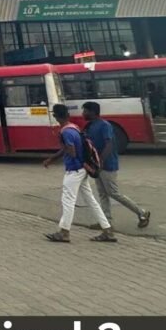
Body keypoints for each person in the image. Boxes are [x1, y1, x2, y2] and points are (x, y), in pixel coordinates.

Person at [43, 104, 115, 242]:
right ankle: (107, 230)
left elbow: (70, 150)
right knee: (91, 200)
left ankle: (64, 232)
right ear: (67, 115)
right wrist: (52, 159)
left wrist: (62, 157)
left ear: (55, 116)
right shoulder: (73, 127)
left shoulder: (65, 132)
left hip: (74, 170)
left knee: (68, 200)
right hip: (82, 169)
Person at [82, 102, 151, 229]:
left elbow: (109, 144)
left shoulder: (105, 125)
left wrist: (101, 161)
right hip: (98, 165)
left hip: (107, 165)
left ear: (92, 112)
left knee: (113, 192)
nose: (83, 113)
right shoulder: (90, 126)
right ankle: (106, 221)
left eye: (85, 111)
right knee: (102, 193)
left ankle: (142, 212)